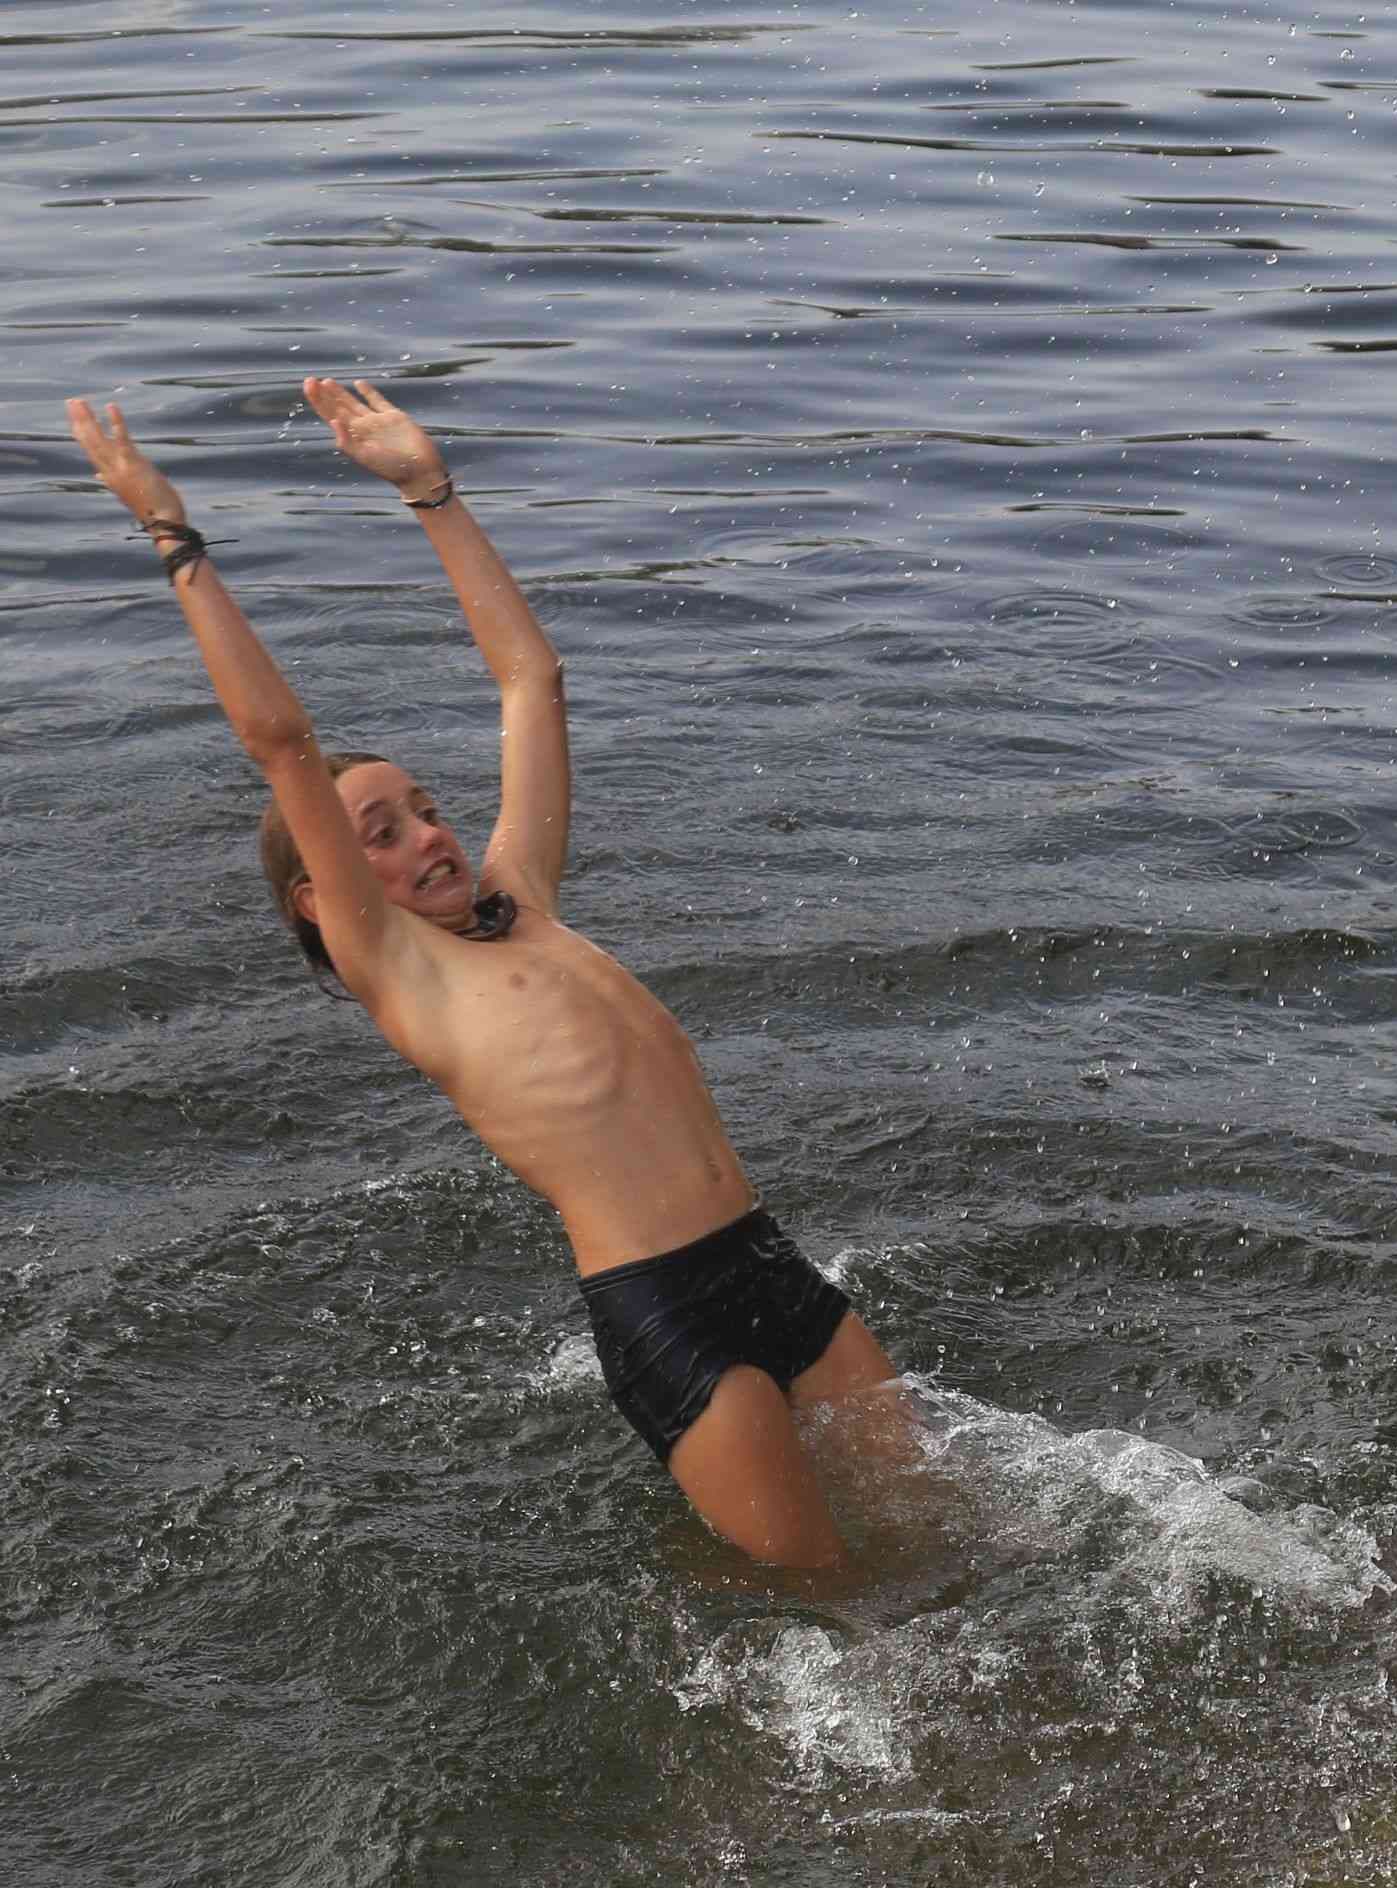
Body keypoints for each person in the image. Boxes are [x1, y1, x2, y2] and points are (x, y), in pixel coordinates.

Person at [66, 380, 902, 1571]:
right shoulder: (400, 971)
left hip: (768, 1260)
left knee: (952, 1536)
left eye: (427, 808)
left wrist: (429, 490)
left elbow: (532, 681)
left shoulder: (528, 902)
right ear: (321, 896)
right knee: (837, 1605)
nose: (427, 836)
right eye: (381, 835)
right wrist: (174, 536)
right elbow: (282, 743)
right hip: (664, 1310)